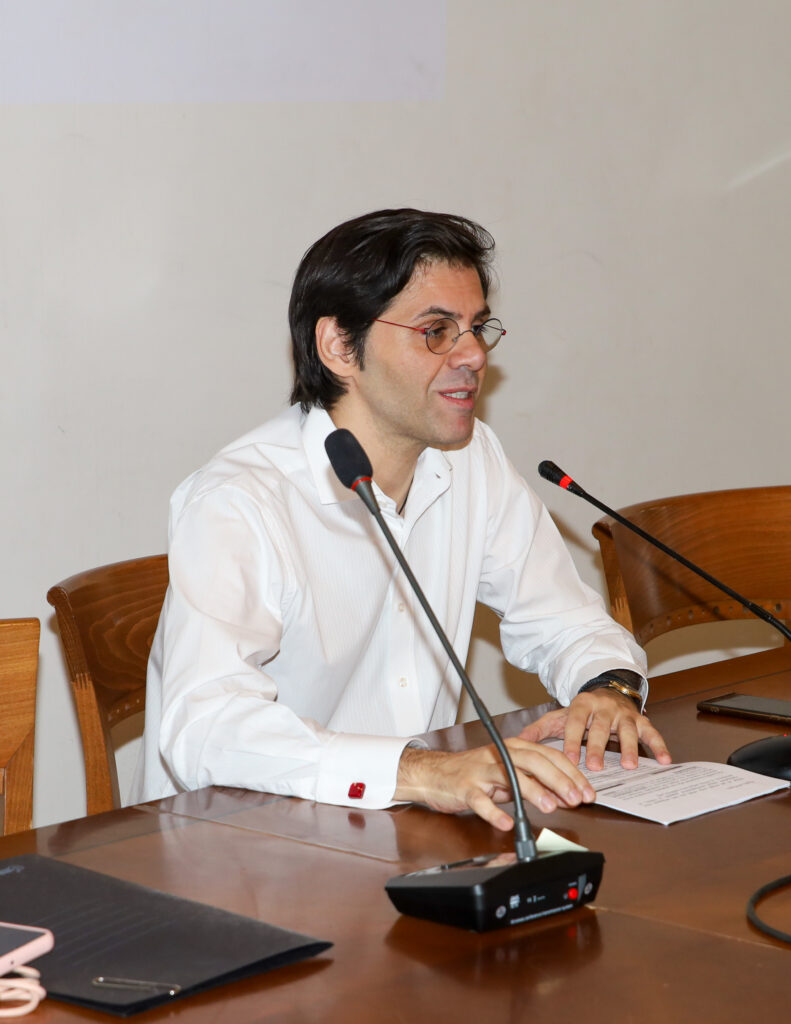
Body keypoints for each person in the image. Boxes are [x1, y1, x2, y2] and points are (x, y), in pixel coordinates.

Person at [130, 208, 670, 834]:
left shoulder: (472, 459)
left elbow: (563, 620)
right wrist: (420, 771)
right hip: (242, 845)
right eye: (436, 331)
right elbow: (205, 727)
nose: (473, 354)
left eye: (477, 328)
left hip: (409, 833)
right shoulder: (239, 501)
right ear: (339, 347)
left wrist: (607, 691)